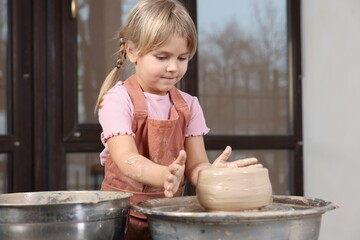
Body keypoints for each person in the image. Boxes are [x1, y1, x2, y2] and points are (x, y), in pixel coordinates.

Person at [95, 0, 261, 239]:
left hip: (168, 218)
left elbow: (195, 166)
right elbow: (126, 158)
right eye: (162, 57)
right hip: (120, 219)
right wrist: (164, 175)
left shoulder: (189, 105)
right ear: (132, 52)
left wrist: (212, 175)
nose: (173, 67)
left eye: (182, 58)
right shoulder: (118, 100)